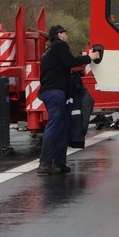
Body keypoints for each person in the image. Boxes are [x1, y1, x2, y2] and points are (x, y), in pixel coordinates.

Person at [37, 25, 99, 176]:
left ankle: (59, 163)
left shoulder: (49, 51)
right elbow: (69, 62)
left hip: (51, 92)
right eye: (65, 33)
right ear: (59, 35)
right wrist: (89, 57)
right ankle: (45, 164)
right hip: (55, 92)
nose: (67, 36)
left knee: (63, 126)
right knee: (55, 126)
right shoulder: (60, 45)